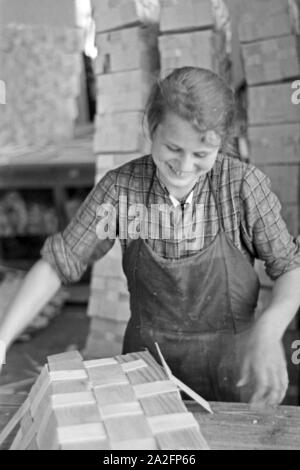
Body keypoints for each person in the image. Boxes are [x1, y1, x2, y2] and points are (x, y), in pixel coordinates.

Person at [1, 67, 300, 406]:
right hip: (147, 373)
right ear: (151, 129)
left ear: (222, 143)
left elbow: (291, 268)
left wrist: (269, 329)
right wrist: (2, 338)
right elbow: (60, 262)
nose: (184, 167)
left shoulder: (242, 186)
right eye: (173, 148)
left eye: (201, 155)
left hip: (235, 372)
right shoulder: (122, 189)